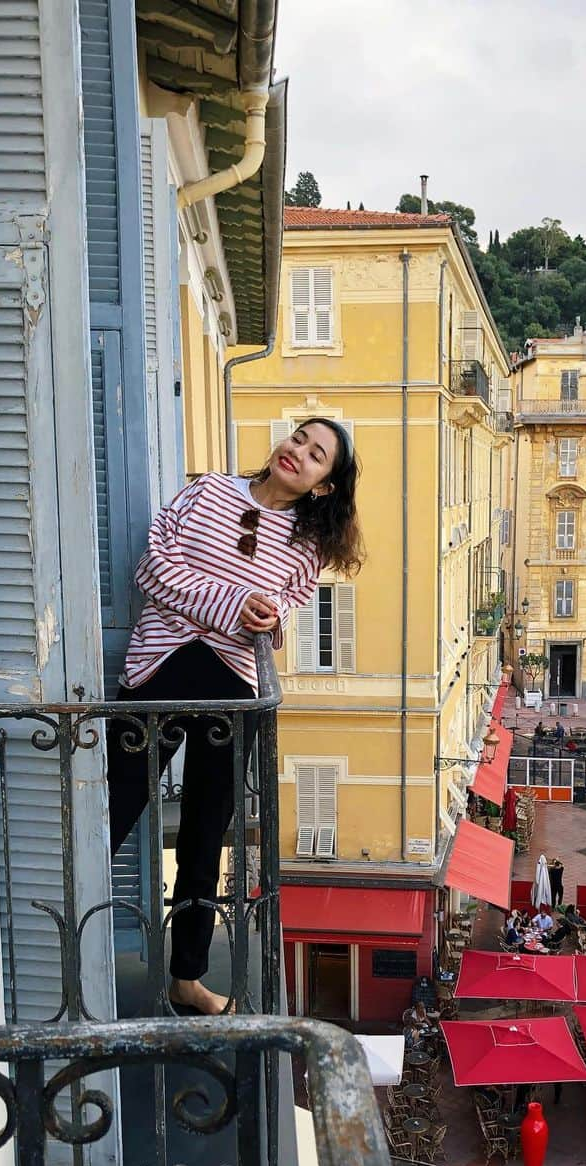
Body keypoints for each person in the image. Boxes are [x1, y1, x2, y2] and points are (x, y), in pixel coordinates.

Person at [108, 419, 364, 1014]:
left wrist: (264, 621)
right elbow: (152, 572)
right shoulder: (206, 492)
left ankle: (187, 977)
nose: (297, 452)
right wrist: (229, 606)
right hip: (159, 669)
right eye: (298, 438)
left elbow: (278, 618)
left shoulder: (309, 549)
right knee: (117, 806)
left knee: (205, 833)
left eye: (316, 453)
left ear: (324, 485)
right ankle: (59, 937)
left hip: (231, 686)